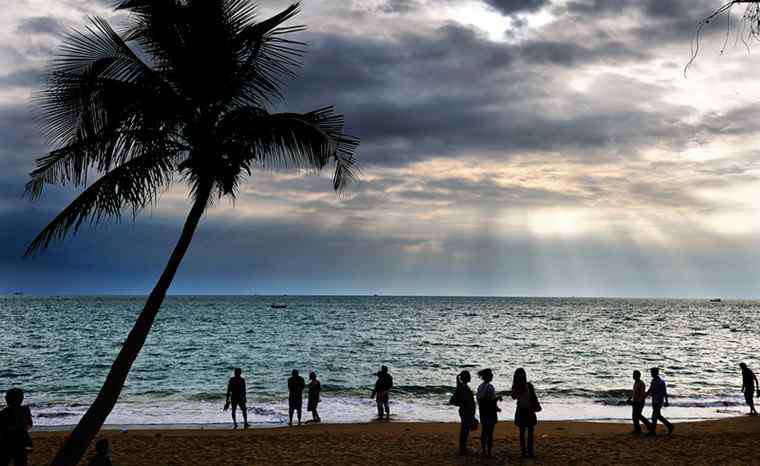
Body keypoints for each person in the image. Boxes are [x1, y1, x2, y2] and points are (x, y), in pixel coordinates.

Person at [0, 388, 33, 466]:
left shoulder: (3, 413)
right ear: (21, 399)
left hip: (6, 444)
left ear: (7, 399)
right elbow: (29, 425)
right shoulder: (25, 410)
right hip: (21, 442)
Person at [511, 368, 540, 459]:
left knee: (523, 433)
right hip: (528, 410)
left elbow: (513, 397)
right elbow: (533, 397)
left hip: (522, 410)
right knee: (528, 433)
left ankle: (525, 452)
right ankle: (528, 452)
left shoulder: (518, 386)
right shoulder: (528, 385)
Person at [449, 370, 476, 456]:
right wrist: (467, 407)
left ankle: (463, 448)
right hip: (466, 411)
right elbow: (465, 400)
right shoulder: (464, 387)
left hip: (465, 410)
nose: (470, 377)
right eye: (469, 376)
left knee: (465, 429)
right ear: (466, 377)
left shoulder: (462, 386)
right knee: (465, 430)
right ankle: (463, 449)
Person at [476, 368, 500, 458]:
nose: (492, 376)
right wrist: (498, 399)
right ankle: (489, 452)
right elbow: (492, 400)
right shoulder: (490, 387)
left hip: (482, 411)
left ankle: (483, 450)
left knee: (484, 431)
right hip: (490, 412)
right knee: (490, 433)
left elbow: (480, 400)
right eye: (491, 374)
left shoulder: (480, 387)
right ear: (487, 376)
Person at [645, 367, 673, 436]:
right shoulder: (653, 381)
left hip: (659, 401)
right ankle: (668, 426)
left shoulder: (661, 382)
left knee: (655, 415)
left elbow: (664, 392)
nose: (651, 374)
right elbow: (650, 390)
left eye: (652, 373)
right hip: (654, 400)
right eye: (651, 373)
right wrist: (644, 396)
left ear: (656, 373)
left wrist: (666, 401)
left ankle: (668, 426)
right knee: (656, 415)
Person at [626, 370, 652, 434]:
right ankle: (638, 429)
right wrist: (629, 399)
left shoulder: (641, 383)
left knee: (637, 416)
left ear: (638, 376)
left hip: (639, 402)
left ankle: (648, 426)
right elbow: (633, 392)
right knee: (635, 416)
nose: (633, 376)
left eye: (634, 375)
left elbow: (642, 394)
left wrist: (639, 401)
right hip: (635, 401)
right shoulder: (635, 382)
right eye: (633, 374)